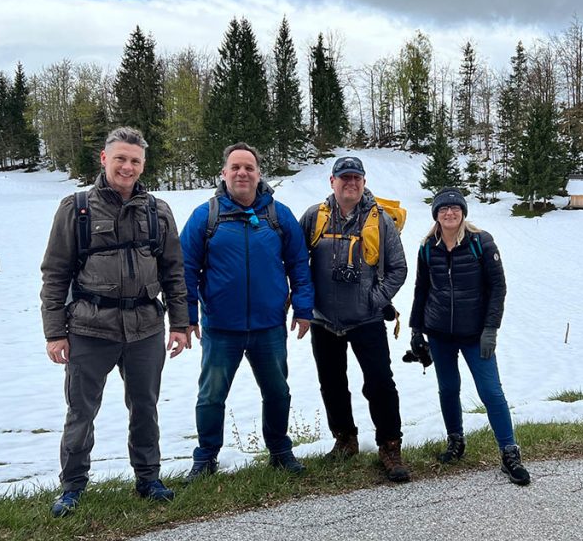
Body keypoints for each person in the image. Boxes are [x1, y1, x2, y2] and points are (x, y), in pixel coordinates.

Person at [40, 127, 189, 517]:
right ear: (104, 159)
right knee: (81, 411)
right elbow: (55, 274)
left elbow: (174, 272)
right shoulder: (76, 209)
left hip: (145, 328)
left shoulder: (158, 211)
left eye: (135, 160)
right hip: (90, 328)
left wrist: (180, 323)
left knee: (145, 407)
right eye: (120, 158)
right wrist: (55, 332)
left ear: (143, 165)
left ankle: (148, 479)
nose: (127, 166)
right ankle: (72, 487)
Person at [180, 142, 313, 480]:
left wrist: (303, 307)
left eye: (249, 168)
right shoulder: (205, 216)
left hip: (269, 326)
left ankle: (280, 450)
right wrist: (188, 317)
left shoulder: (278, 215)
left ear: (258, 174)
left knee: (277, 391)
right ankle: (206, 457)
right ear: (223, 174)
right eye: (235, 167)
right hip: (221, 328)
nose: (242, 173)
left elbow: (299, 263)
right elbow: (184, 269)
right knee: (211, 395)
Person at [408, 187, 531, 485]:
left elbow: (498, 288)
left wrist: (491, 329)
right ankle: (456, 442)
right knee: (448, 389)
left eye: (455, 208)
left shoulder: (481, 243)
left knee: (491, 391)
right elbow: (421, 289)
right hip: (439, 333)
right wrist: (416, 330)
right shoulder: (427, 247)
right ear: (436, 214)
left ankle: (509, 452)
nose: (449, 213)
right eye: (443, 209)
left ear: (463, 212)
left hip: (476, 335)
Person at [299, 156, 411, 482]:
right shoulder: (313, 217)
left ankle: (390, 445)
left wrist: (373, 301)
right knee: (332, 385)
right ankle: (345, 440)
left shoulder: (380, 220)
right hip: (324, 321)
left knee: (379, 384)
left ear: (363, 182)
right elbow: (293, 259)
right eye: (344, 177)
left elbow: (398, 269)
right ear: (331, 182)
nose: (351, 183)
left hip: (367, 320)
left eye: (356, 178)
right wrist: (304, 302)